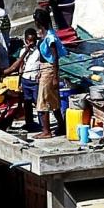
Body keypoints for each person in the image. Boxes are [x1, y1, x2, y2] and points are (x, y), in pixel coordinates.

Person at [33, 8, 66, 139]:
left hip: (49, 70)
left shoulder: (50, 37)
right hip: (44, 68)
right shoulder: (45, 34)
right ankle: (61, 125)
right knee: (53, 100)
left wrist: (55, 78)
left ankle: (46, 131)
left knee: (43, 100)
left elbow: (55, 57)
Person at [4, 28, 39, 131]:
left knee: (38, 101)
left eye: (33, 41)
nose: (31, 43)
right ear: (26, 40)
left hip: (35, 79)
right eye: (29, 41)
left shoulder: (38, 51)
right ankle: (29, 123)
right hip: (25, 79)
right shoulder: (23, 51)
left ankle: (42, 124)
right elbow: (20, 65)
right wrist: (20, 80)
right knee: (27, 102)